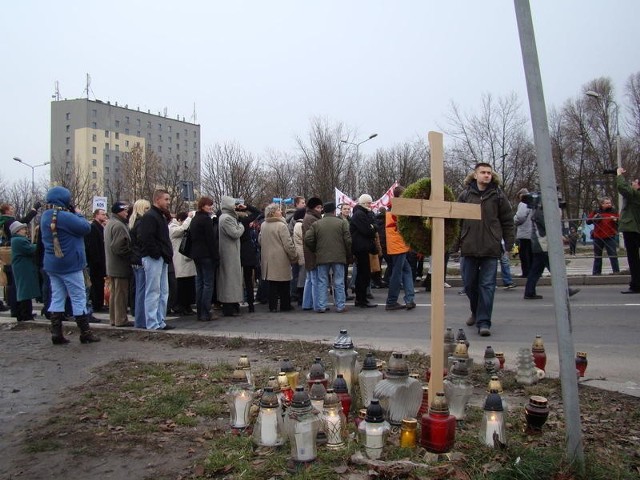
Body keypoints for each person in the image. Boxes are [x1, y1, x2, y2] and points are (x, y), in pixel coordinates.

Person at [459, 163, 514, 336]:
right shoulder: (466, 194)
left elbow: (507, 220)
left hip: (491, 247)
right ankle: (475, 311)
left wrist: (509, 244)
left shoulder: (498, 195)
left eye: (489, 173)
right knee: (469, 285)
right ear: (475, 175)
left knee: (487, 286)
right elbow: (457, 221)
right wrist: (454, 244)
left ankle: (484, 322)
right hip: (469, 247)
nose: (486, 175)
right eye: (483, 172)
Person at [41, 186, 99, 344]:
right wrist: (79, 214)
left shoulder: (45, 216)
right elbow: (86, 228)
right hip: (70, 264)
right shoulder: (64, 216)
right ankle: (85, 332)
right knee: (79, 297)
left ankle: (56, 332)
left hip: (52, 264)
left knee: (57, 297)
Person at [524, 204, 580, 300]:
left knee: (536, 270)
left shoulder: (538, 211)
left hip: (539, 244)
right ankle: (566, 290)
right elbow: (549, 226)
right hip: (542, 244)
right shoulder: (540, 213)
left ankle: (529, 292)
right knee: (554, 268)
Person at [137, 189, 175, 331]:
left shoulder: (159, 216)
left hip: (162, 257)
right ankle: (152, 322)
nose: (168, 202)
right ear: (157, 200)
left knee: (163, 291)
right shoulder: (150, 216)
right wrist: (156, 253)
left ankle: (160, 320)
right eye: (166, 199)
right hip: (154, 258)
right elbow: (147, 238)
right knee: (153, 291)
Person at [304, 201, 352, 313]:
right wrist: (348, 253)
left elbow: (308, 239)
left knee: (322, 282)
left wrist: (315, 249)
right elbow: (348, 240)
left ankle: (321, 305)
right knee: (339, 282)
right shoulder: (342, 223)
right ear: (335, 211)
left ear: (324, 211)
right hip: (339, 256)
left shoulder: (317, 223)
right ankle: (340, 306)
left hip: (322, 256)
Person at [0, 202, 41, 317]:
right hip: (13, 255)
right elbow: (24, 221)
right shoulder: (9, 222)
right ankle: (18, 310)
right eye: (11, 208)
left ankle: (15, 308)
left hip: (6, 252)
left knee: (12, 283)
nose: (13, 209)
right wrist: (33, 210)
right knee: (17, 285)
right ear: (6, 211)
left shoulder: (2, 222)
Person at [259, 203, 298, 312]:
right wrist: (294, 255)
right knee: (284, 283)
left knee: (272, 284)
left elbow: (260, 240)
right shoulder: (281, 225)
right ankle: (285, 305)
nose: (281, 212)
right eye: (279, 210)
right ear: (273, 212)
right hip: (281, 258)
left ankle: (273, 306)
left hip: (267, 257)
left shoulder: (263, 225)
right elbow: (288, 243)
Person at [384, 186, 416, 311]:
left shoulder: (391, 207)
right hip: (398, 245)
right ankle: (391, 301)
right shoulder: (398, 209)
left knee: (406, 271)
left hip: (396, 245)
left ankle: (409, 299)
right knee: (397, 274)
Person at [189, 197, 219, 322]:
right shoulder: (206, 220)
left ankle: (200, 312)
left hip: (196, 254)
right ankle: (206, 312)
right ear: (202, 206)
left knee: (200, 283)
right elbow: (211, 240)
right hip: (206, 254)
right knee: (208, 284)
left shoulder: (195, 219)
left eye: (211, 205)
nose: (210, 207)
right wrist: (216, 257)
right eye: (208, 205)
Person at [104, 201, 132, 327]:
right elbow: (118, 247)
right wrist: (129, 255)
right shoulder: (119, 226)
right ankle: (121, 319)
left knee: (114, 294)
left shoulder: (110, 224)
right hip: (120, 264)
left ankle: (114, 318)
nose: (127, 213)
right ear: (119, 211)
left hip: (112, 264)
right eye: (125, 210)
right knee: (120, 294)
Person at [217, 196, 245, 317]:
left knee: (232, 279)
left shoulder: (227, 217)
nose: (235, 207)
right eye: (234, 204)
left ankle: (232, 304)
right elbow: (235, 233)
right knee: (229, 279)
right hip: (229, 253)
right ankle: (229, 306)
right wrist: (241, 226)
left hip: (231, 252)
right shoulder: (226, 219)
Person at [350, 194, 378, 308]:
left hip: (362, 247)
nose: (370, 205)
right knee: (363, 274)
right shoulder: (360, 215)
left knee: (364, 274)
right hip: (361, 248)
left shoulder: (362, 214)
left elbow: (373, 227)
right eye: (369, 203)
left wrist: (372, 227)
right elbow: (368, 230)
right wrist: (372, 227)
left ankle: (362, 298)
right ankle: (361, 299)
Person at [616, 167, 640, 294]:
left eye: (635, 182)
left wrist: (619, 175)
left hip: (631, 229)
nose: (633, 183)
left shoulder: (635, 194)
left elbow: (623, 188)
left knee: (633, 258)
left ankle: (636, 284)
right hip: (635, 228)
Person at [10, 222, 39, 321]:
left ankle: (25, 313)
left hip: (22, 267)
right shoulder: (19, 240)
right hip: (23, 268)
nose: (25, 231)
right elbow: (31, 249)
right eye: (23, 229)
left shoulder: (17, 240)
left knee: (24, 290)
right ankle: (25, 314)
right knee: (25, 291)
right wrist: (38, 244)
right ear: (17, 231)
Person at [128, 199, 151, 328]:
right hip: (141, 259)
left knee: (139, 290)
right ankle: (141, 320)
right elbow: (143, 241)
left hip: (134, 259)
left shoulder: (133, 222)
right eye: (146, 208)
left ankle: (139, 319)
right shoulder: (142, 223)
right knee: (143, 291)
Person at [169, 211, 196, 315]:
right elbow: (181, 230)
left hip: (187, 260)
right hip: (179, 261)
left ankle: (187, 305)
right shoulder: (172, 227)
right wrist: (189, 218)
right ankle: (180, 306)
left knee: (189, 284)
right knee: (181, 285)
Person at [586, 197, 620, 276]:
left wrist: (616, 220)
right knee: (597, 257)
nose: (609, 204)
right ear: (602, 204)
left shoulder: (614, 212)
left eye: (610, 203)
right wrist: (594, 218)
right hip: (598, 237)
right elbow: (588, 221)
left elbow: (620, 222)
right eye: (607, 203)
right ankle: (596, 273)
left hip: (610, 237)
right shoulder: (596, 212)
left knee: (613, 256)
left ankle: (616, 272)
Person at [301, 197, 323, 311]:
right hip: (313, 251)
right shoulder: (312, 219)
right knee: (315, 279)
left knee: (309, 279)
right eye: (318, 207)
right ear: (313, 208)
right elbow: (313, 237)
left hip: (308, 251)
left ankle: (307, 303)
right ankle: (317, 305)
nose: (320, 209)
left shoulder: (308, 217)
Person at [238, 203, 261, 313]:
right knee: (248, 279)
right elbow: (257, 212)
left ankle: (236, 302)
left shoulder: (233, 220)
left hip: (237, 251)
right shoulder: (245, 220)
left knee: (237, 279)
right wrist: (247, 207)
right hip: (247, 251)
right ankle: (251, 304)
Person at [85, 209, 108, 312]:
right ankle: (97, 304)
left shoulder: (100, 227)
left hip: (99, 260)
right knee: (96, 283)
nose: (105, 216)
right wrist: (96, 260)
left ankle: (99, 303)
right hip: (96, 262)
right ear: (96, 215)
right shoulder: (94, 228)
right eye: (102, 214)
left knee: (99, 283)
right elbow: (93, 246)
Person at [513, 188, 533, 278]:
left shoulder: (523, 204)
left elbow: (520, 217)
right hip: (532, 233)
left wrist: (514, 220)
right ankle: (532, 272)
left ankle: (526, 273)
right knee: (531, 254)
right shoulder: (532, 203)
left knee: (524, 254)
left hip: (524, 233)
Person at [291, 207, 307, 305]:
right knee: (302, 276)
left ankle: (300, 296)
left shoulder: (298, 224)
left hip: (300, 252)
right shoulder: (300, 225)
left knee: (301, 275)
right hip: (302, 253)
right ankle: (301, 297)